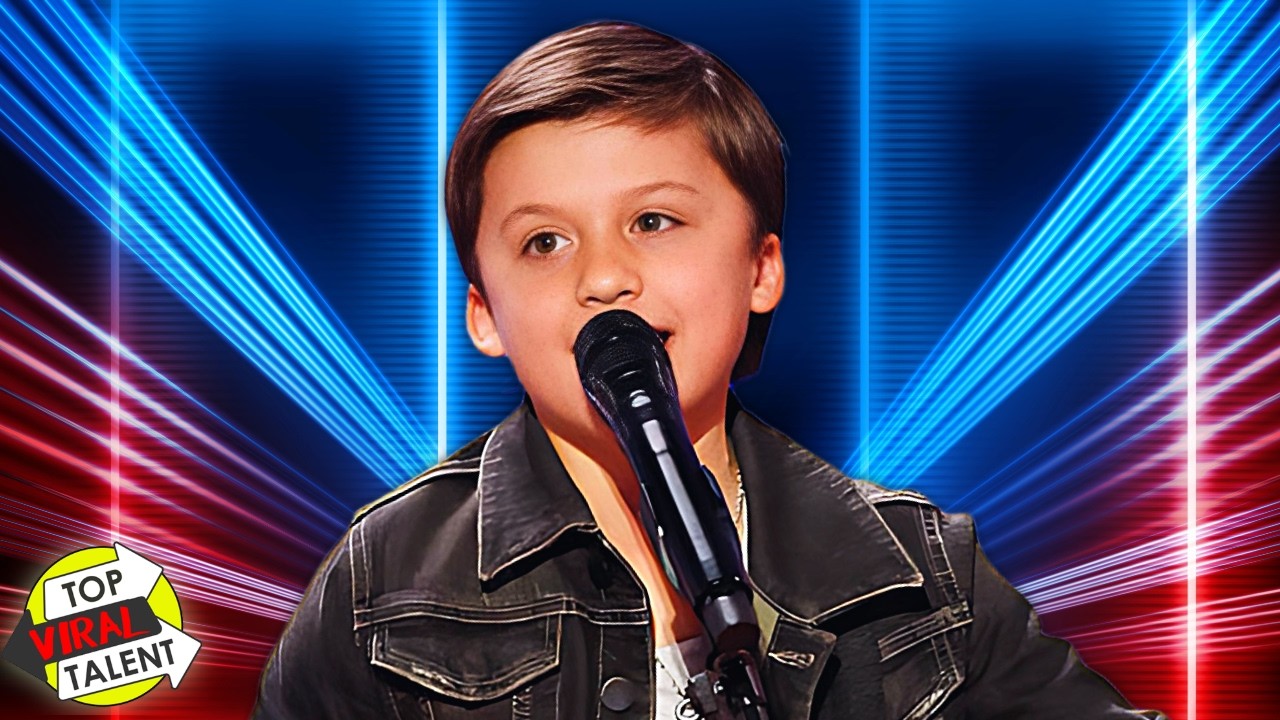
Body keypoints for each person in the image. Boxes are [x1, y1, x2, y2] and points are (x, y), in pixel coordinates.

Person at [254, 21, 1167, 719]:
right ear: (484, 315)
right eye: (544, 241)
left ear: (761, 269)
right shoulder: (386, 576)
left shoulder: (919, 571)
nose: (604, 277)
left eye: (653, 221)